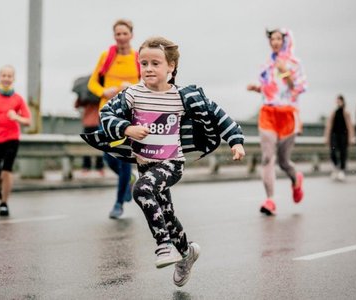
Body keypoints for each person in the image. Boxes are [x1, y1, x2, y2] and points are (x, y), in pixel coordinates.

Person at [81, 36, 245, 287]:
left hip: (171, 163)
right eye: (143, 63)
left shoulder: (183, 96)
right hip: (145, 163)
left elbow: (218, 114)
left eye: (155, 63)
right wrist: (126, 128)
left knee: (142, 189)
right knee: (167, 214)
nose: (148, 68)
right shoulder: (133, 94)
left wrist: (235, 140)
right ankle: (187, 253)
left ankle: (164, 245)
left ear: (171, 67)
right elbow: (106, 115)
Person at [247, 28, 307, 216]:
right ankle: (270, 200)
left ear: (285, 40)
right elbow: (269, 90)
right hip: (268, 113)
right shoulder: (266, 65)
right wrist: (257, 88)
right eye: (272, 39)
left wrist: (285, 72)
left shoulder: (295, 63)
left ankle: (296, 179)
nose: (275, 42)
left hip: (287, 115)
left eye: (278, 38)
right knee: (267, 158)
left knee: (283, 161)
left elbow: (296, 88)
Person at [87, 19, 140, 219]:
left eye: (124, 33)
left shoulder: (137, 58)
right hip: (106, 112)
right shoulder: (106, 56)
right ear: (114, 36)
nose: (121, 37)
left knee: (123, 157)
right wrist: (103, 91)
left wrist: (132, 88)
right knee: (108, 157)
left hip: (127, 115)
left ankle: (118, 203)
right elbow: (93, 83)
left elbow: (146, 86)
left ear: (131, 35)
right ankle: (129, 179)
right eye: (117, 34)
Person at [0, 65, 31, 217]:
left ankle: (4, 203)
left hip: (12, 138)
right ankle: (2, 185)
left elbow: (28, 121)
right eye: (3, 75)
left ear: (13, 79)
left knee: (7, 169)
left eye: (9, 76)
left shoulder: (18, 99)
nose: (6, 78)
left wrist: (16, 117)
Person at [73, 76, 104, 176]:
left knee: (86, 146)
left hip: (88, 123)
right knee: (100, 145)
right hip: (98, 123)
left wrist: (81, 98)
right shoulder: (101, 95)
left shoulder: (84, 96)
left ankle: (86, 167)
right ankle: (99, 168)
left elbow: (76, 105)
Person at [324, 94, 354, 181]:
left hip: (344, 135)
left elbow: (350, 126)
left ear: (343, 102)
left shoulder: (346, 112)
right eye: (337, 101)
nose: (338, 102)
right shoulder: (334, 112)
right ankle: (336, 166)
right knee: (333, 152)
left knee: (343, 153)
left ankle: (342, 170)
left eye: (339, 101)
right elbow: (329, 125)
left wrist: (351, 137)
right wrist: (326, 137)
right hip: (334, 135)